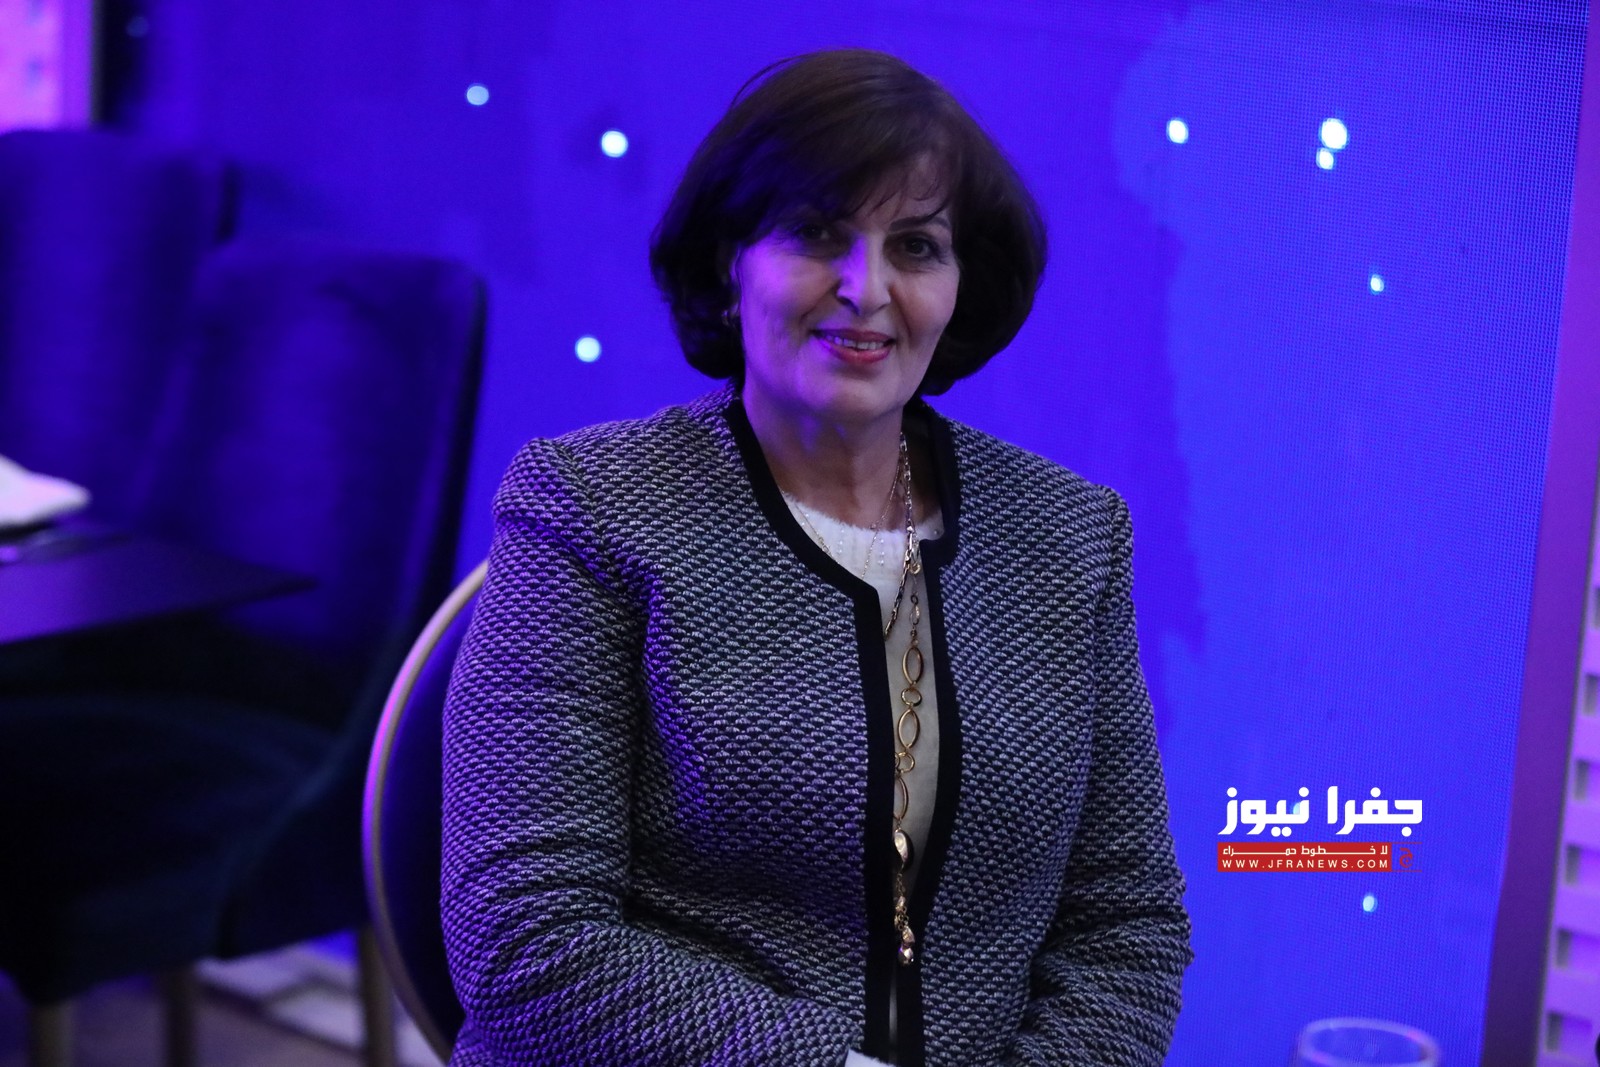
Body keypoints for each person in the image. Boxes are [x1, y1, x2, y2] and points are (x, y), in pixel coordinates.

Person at [442, 48, 1192, 1067]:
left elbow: (1126, 925)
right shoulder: (592, 506)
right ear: (729, 261)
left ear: (959, 285)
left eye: (916, 246)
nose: (864, 289)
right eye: (815, 233)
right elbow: (524, 940)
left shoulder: (1071, 537)